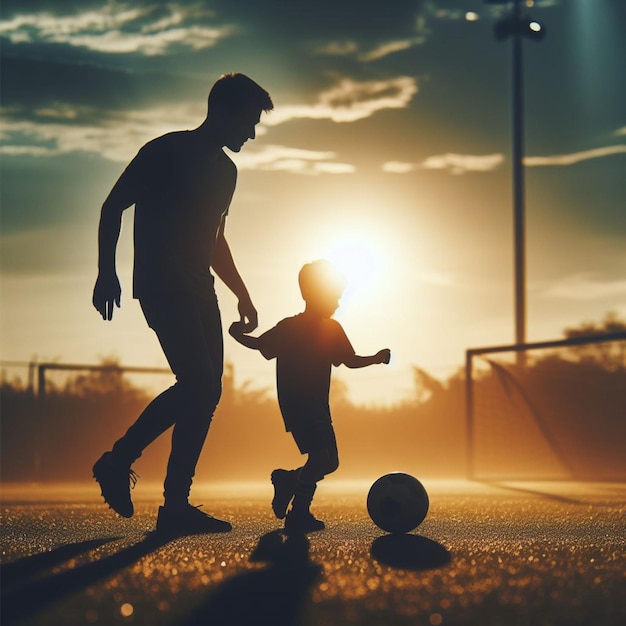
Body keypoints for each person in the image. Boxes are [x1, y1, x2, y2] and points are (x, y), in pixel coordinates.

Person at [91, 73, 273, 536]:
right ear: (224, 112)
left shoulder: (226, 172)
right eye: (249, 122)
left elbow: (216, 241)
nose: (251, 133)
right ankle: (118, 461)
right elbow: (113, 207)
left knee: (206, 390)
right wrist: (106, 271)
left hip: (201, 290)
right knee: (196, 383)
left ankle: (174, 504)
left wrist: (242, 292)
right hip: (161, 285)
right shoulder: (165, 151)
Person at [229, 259, 390, 533]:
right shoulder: (291, 327)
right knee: (320, 457)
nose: (337, 303)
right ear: (310, 294)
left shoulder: (332, 329)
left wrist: (374, 358)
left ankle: (289, 481)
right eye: (333, 296)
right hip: (297, 402)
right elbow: (260, 344)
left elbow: (348, 360)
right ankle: (299, 512)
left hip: (317, 405)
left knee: (331, 461)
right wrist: (237, 334)